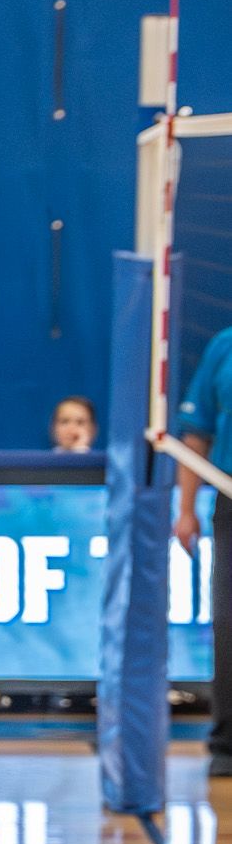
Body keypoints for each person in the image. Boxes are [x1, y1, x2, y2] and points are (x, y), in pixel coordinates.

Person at [175, 331, 232, 775]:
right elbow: (196, 434)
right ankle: (227, 744)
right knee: (228, 623)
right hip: (231, 496)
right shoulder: (224, 346)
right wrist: (186, 509)